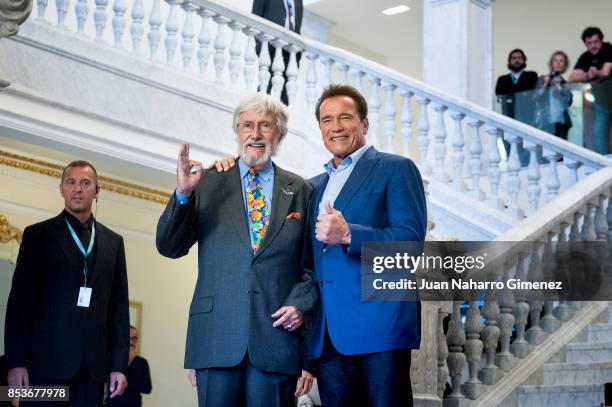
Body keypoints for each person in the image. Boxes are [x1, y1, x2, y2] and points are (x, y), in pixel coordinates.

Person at [156, 93, 318, 407]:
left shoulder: (301, 191)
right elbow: (169, 246)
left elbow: (311, 267)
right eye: (247, 125)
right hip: (216, 336)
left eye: (265, 125)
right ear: (237, 132)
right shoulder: (207, 182)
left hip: (277, 339)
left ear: (279, 134)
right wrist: (183, 194)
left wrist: (301, 305)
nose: (255, 134)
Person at [309, 85, 426, 406]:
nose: (336, 126)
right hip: (329, 337)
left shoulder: (395, 168)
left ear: (364, 124)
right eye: (326, 119)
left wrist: (350, 234)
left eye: (345, 117)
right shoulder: (311, 187)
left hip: (381, 328)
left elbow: (411, 246)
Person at [4, 160, 129, 406]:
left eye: (85, 183)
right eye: (70, 183)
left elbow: (118, 310)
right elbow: (19, 305)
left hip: (91, 371)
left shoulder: (114, 242)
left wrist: (119, 366)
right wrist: (16, 362)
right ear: (61, 189)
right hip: (42, 369)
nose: (77, 189)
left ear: (97, 190)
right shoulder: (37, 236)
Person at [252, 0, 303, 106]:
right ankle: (259, 111)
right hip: (269, 47)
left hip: (290, 52)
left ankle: (282, 119)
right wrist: (260, 45)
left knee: (286, 93)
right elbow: (255, 19)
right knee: (265, 85)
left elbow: (297, 28)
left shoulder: (298, 1)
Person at [570, 27, 612, 155]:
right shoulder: (585, 57)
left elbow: (606, 72)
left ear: (601, 40)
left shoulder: (609, 49)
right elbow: (572, 77)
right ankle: (605, 167)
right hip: (602, 103)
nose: (593, 46)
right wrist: (588, 76)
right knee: (599, 133)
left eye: (595, 42)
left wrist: (596, 72)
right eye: (589, 43)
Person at [495, 49, 538, 166]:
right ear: (509, 61)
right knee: (509, 150)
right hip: (507, 119)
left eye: (519, 58)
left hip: (527, 119)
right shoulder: (502, 79)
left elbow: (531, 92)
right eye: (513, 58)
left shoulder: (531, 76)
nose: (517, 60)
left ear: (524, 60)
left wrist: (514, 93)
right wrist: (521, 92)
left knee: (526, 151)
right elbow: (500, 94)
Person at [107, 326, 152, 407]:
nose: (131, 341)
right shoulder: (112, 360)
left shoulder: (142, 362)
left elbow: (147, 388)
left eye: (134, 338)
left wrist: (126, 384)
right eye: (128, 337)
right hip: (113, 404)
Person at [535, 51, 573, 141]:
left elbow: (569, 102)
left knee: (561, 151)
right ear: (551, 63)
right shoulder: (543, 79)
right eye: (555, 60)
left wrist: (559, 86)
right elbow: (536, 97)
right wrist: (545, 84)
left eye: (561, 61)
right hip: (545, 119)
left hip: (562, 122)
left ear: (565, 64)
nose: (558, 63)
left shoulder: (565, 83)